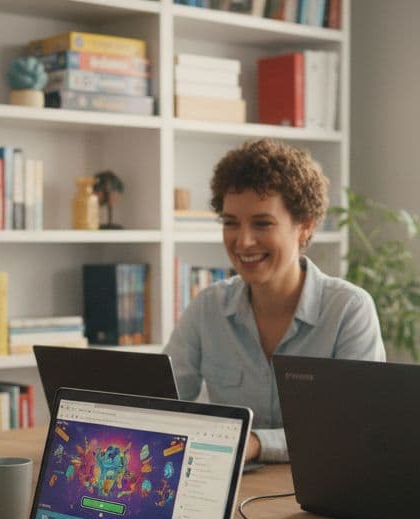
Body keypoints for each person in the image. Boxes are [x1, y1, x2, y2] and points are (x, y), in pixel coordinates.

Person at [165, 138, 386, 463]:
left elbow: (354, 427)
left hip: (319, 486)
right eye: (230, 223)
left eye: (262, 223)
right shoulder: (207, 307)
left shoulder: (348, 310)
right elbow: (162, 402)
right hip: (232, 485)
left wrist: (255, 443)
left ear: (304, 227)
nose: (243, 241)